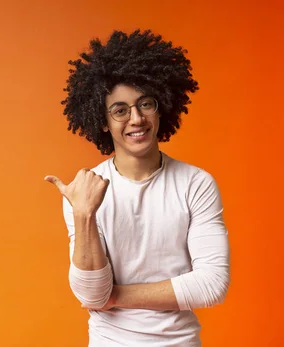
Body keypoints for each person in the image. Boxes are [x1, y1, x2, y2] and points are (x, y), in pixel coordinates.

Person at [44, 29, 230, 346]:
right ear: (103, 120)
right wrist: (84, 213)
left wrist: (114, 296)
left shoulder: (196, 184)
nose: (136, 119)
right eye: (120, 110)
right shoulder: (85, 192)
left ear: (161, 108)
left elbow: (212, 284)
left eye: (145, 104)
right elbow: (90, 292)